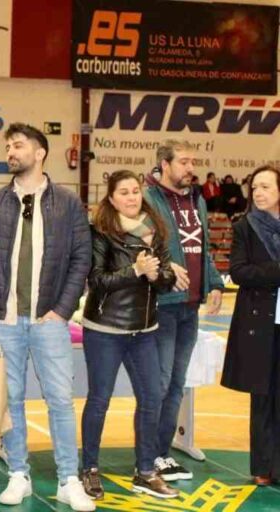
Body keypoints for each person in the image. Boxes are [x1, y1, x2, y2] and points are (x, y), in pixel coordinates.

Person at [0, 123, 95, 511]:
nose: (10, 151)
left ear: (39, 153)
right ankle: (17, 474)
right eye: (7, 146)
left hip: (49, 321)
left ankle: (68, 480)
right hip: (3, 319)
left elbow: (81, 260)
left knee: (60, 400)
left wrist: (61, 310)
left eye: (17, 145)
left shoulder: (68, 203)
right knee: (12, 400)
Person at [80, 170, 178, 500]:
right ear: (111, 198)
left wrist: (158, 275)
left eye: (135, 191)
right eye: (124, 192)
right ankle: (89, 468)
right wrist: (135, 271)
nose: (132, 197)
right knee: (99, 401)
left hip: (145, 330)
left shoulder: (156, 231)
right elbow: (96, 280)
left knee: (152, 398)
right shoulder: (101, 233)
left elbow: (165, 281)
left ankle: (146, 471)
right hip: (105, 330)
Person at [144, 139, 224, 481]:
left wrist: (215, 282)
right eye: (184, 162)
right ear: (164, 164)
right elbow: (133, 245)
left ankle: (161, 454)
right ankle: (147, 456)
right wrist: (164, 268)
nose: (191, 168)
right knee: (160, 384)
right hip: (162, 305)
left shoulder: (197, 200)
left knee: (177, 384)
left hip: (190, 306)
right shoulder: (147, 199)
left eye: (194, 162)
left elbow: (201, 246)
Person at [222, 165, 280, 486]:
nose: (258, 192)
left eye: (265, 187)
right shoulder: (246, 227)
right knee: (262, 396)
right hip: (259, 323)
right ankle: (262, 467)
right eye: (254, 187)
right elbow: (239, 272)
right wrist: (276, 271)